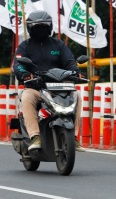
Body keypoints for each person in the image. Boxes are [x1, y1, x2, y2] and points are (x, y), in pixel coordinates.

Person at [13, 10, 84, 152]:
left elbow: (70, 61)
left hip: (58, 87)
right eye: (36, 27)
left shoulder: (58, 45)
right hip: (36, 89)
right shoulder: (24, 47)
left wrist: (77, 72)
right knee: (26, 97)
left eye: (43, 26)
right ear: (29, 28)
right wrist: (24, 74)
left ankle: (74, 138)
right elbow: (18, 64)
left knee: (77, 96)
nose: (40, 30)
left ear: (50, 27)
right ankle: (35, 136)